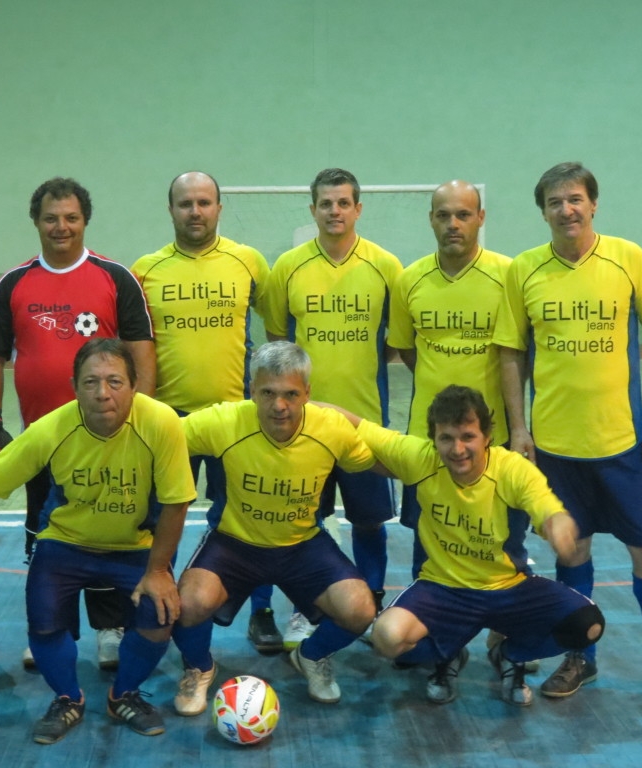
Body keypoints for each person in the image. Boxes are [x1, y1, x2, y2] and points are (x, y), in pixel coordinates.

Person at [0, 338, 194, 743]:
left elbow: (176, 502)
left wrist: (156, 570)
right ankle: (68, 697)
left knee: (159, 613)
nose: (103, 393)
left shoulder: (161, 422)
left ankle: (124, 694)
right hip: (65, 542)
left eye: (115, 381)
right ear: (74, 386)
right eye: (91, 382)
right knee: (43, 618)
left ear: (134, 385)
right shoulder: (52, 428)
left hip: (134, 545)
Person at [494, 161, 642, 697]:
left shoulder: (628, 259)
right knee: (571, 554)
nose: (566, 209)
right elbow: (511, 354)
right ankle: (581, 657)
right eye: (555, 202)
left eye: (575, 199)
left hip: (623, 444)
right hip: (555, 448)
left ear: (593, 204)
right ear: (543, 211)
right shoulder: (524, 270)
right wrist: (519, 429)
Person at [0, 176, 156, 670]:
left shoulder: (115, 278)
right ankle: (50, 627)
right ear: (36, 221)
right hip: (44, 443)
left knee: (109, 530)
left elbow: (141, 351)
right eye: (51, 218)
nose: (61, 227)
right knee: (44, 533)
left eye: (71, 217)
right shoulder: (13, 283)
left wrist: (139, 416)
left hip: (109, 438)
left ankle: (110, 628)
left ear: (85, 221)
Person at [338, 385, 604, 706]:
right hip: (443, 588)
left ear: (487, 436)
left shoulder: (509, 468)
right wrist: (303, 404)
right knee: (386, 637)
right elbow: (356, 425)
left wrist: (555, 520)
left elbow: (541, 499)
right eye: (446, 438)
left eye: (467, 436)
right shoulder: (421, 459)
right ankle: (448, 653)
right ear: (433, 439)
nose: (457, 448)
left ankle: (509, 654)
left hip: (508, 587)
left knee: (586, 625)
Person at [170, 342, 377, 716]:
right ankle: (199, 667)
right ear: (252, 390)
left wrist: (439, 465)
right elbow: (161, 435)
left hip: (302, 545)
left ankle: (311, 656)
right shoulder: (223, 421)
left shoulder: (330, 428)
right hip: (235, 544)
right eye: (267, 393)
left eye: (290, 394)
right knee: (187, 604)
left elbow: (385, 456)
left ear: (307, 394)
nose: (278, 405)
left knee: (361, 609)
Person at [132, 171, 281, 654]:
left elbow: (276, 332)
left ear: (219, 207)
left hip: (235, 420)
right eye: (184, 203)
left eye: (203, 202)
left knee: (247, 516)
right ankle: (157, 603)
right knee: (156, 519)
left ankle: (261, 612)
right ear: (170, 210)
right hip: (169, 422)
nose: (194, 211)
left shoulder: (249, 263)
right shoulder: (146, 270)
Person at [388, 180, 519, 699]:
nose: (453, 224)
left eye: (463, 214)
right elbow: (407, 351)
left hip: (494, 446)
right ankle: (443, 647)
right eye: (443, 215)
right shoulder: (410, 280)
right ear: (431, 219)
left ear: (480, 217)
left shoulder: (507, 276)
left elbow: (517, 355)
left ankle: (504, 647)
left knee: (504, 552)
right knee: (428, 551)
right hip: (430, 448)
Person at [264, 168, 403, 647]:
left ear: (358, 208)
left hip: (365, 425)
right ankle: (307, 610)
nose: (335, 211)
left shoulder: (386, 267)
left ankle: (372, 608)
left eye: (344, 203)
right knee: (304, 523)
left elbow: (397, 342)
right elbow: (278, 343)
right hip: (305, 427)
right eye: (326, 203)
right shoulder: (288, 267)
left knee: (368, 522)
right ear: (313, 210)